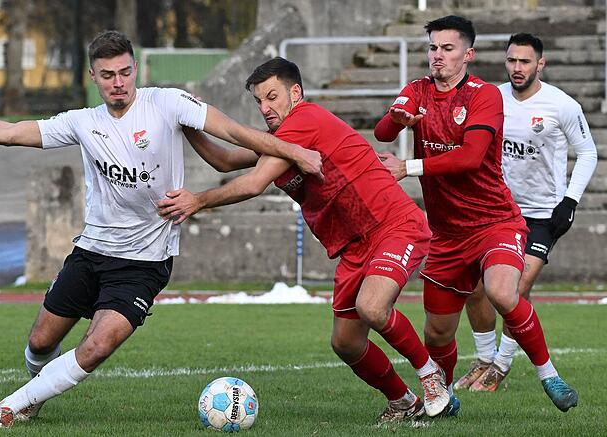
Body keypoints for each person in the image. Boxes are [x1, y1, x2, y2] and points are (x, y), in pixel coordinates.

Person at [0, 30, 324, 429]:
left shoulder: (167, 103)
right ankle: (36, 392)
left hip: (144, 263)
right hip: (91, 252)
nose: (118, 83)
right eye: (108, 75)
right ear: (94, 77)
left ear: (136, 69)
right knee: (40, 343)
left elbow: (234, 133)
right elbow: (10, 133)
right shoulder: (82, 122)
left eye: (125, 72)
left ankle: (12, 406)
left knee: (97, 345)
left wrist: (293, 151)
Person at [158, 57, 454, 424]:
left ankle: (431, 376)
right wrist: (185, 121)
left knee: (373, 307)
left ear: (295, 93)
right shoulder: (280, 138)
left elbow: (252, 184)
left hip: (393, 225)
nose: (265, 108)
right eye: (259, 102)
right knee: (346, 342)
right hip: (353, 246)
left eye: (272, 97)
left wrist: (198, 200)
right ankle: (402, 401)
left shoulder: (304, 120)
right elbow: (223, 160)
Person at [374, 16, 578, 413]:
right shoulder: (416, 90)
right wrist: (397, 119)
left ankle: (549, 374)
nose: (438, 56)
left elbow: (469, 158)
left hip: (495, 221)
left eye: (447, 49)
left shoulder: (484, 96)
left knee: (503, 292)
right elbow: (383, 132)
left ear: (468, 54)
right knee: (437, 332)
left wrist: (408, 166)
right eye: (433, 48)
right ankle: (444, 397)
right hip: (447, 233)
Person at [453, 33, 597, 392]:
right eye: (512, 61)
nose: (517, 68)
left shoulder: (562, 105)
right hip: (496, 209)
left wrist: (570, 201)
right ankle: (484, 358)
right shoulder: (492, 98)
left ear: (540, 64)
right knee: (475, 289)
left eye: (525, 61)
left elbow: (588, 153)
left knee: (513, 289)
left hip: (542, 214)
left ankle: (499, 367)